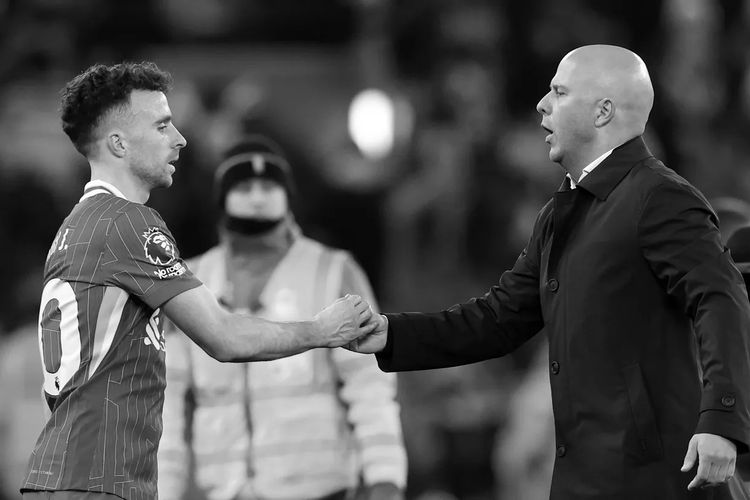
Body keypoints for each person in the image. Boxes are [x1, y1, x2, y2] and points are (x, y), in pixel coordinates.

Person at [348, 45, 750, 499]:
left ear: (602, 112)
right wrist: (390, 334)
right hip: (582, 478)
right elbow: (498, 319)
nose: (542, 104)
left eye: (559, 92)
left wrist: (722, 421)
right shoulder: (559, 214)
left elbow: (720, 297)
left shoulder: (660, 198)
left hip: (652, 480)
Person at [20, 62, 376, 500]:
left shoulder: (73, 228)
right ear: (119, 143)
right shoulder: (128, 224)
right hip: (100, 483)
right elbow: (224, 337)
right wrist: (323, 330)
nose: (180, 138)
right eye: (162, 126)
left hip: (61, 476)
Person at [158, 136, 407, 500]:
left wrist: (386, 480)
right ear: (222, 197)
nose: (258, 198)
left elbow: (370, 386)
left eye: (269, 187)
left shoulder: (333, 271)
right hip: (227, 493)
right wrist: (163, 491)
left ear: (288, 196)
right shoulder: (188, 282)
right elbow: (166, 405)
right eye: (244, 187)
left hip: (320, 491)